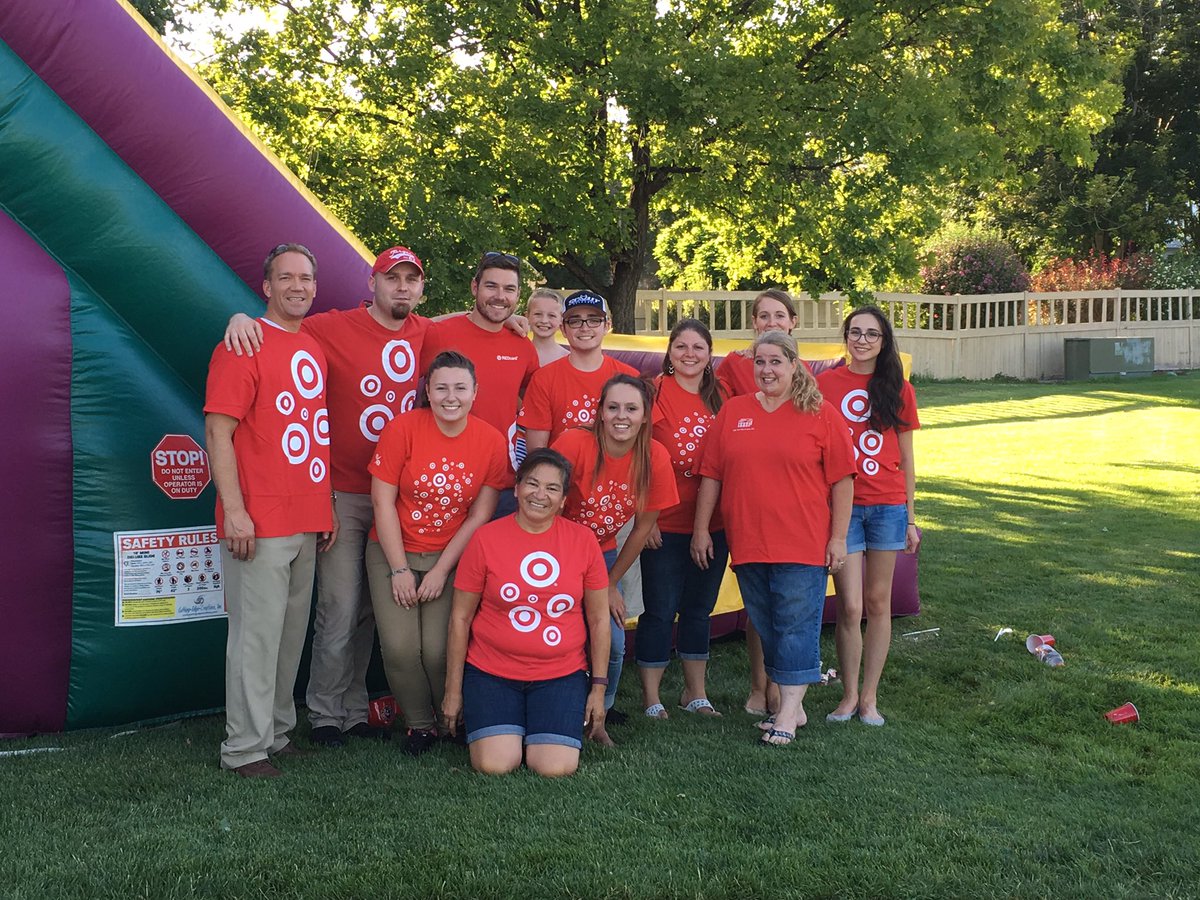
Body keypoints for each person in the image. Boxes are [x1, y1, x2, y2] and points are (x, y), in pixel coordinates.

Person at [204, 243, 337, 777]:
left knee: (286, 639)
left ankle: (277, 733)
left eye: (306, 277)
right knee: (256, 639)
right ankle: (244, 748)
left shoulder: (312, 344)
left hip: (306, 518)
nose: (298, 287)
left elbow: (308, 434)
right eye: (286, 277)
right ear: (266, 285)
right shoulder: (243, 343)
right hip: (258, 519)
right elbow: (219, 429)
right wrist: (233, 511)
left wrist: (322, 506)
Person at [693, 331, 854, 746]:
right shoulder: (734, 411)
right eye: (760, 362)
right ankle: (794, 708)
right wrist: (700, 528)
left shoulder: (820, 413)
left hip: (802, 541)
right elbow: (712, 473)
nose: (766, 370)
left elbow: (842, 481)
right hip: (749, 541)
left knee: (796, 625)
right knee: (767, 626)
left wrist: (838, 538)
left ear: (794, 365)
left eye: (776, 362)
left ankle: (785, 712)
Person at [366, 351, 509, 755]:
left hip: (450, 556)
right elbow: (382, 501)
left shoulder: (490, 440)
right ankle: (420, 724)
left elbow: (481, 513)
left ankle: (454, 717)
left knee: (438, 649)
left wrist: (441, 571)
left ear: (475, 392)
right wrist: (398, 570)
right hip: (392, 549)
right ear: (427, 391)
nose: (451, 396)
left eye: (460, 388)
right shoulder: (402, 429)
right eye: (441, 387)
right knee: (399, 648)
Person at [441, 448, 611, 776]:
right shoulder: (485, 538)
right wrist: (452, 691)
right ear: (516, 488)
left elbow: (599, 619)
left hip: (561, 673)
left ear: (563, 500)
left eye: (552, 488)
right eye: (532, 484)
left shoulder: (583, 541)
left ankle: (527, 730)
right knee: (494, 764)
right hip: (491, 671)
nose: (540, 495)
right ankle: (508, 729)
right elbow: (460, 618)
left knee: (554, 768)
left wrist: (598, 691)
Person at [551, 374, 679, 745]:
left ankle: (598, 716)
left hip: (603, 555)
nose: (621, 416)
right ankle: (558, 706)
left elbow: (642, 529)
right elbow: (543, 503)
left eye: (631, 408)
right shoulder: (574, 444)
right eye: (613, 407)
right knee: (565, 631)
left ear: (644, 416)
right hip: (557, 549)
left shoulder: (655, 456)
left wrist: (608, 582)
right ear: (600, 413)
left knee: (616, 641)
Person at [818, 306, 920, 727]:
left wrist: (911, 517)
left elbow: (908, 456)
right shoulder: (824, 384)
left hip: (888, 506)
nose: (862, 340)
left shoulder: (898, 387)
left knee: (878, 603)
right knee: (849, 604)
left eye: (871, 334)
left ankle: (869, 698)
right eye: (855, 332)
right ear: (845, 336)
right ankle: (847, 695)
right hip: (843, 508)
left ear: (884, 341)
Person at [636, 319, 728, 719]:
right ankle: (651, 697)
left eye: (698, 348)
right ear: (669, 353)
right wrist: (646, 517)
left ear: (710, 356)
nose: (689, 354)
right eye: (681, 347)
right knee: (659, 609)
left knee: (698, 608)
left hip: (712, 522)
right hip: (665, 522)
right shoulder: (654, 392)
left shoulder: (722, 395)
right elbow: (637, 454)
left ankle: (695, 692)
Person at [714, 287, 800, 717]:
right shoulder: (735, 367)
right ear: (753, 323)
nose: (770, 322)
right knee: (757, 603)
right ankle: (758, 684)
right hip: (748, 496)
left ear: (792, 322)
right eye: (762, 316)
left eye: (778, 315)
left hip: (791, 509)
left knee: (788, 603)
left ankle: (786, 694)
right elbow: (734, 428)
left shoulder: (803, 375)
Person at [420, 251, 540, 517]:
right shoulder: (439, 335)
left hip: (502, 483)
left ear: (518, 295)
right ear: (475, 287)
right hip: (443, 480)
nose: (500, 296)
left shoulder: (522, 347)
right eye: (491, 286)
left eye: (509, 289)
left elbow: (529, 402)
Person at [519, 290, 639, 451]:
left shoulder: (631, 378)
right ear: (563, 328)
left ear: (607, 326)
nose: (584, 328)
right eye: (575, 321)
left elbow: (644, 442)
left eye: (594, 320)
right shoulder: (544, 379)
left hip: (618, 473)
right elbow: (536, 452)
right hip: (563, 473)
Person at [527, 287, 569, 365]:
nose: (544, 321)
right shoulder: (516, 354)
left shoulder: (568, 359)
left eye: (552, 315)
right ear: (527, 316)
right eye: (538, 314)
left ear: (561, 319)